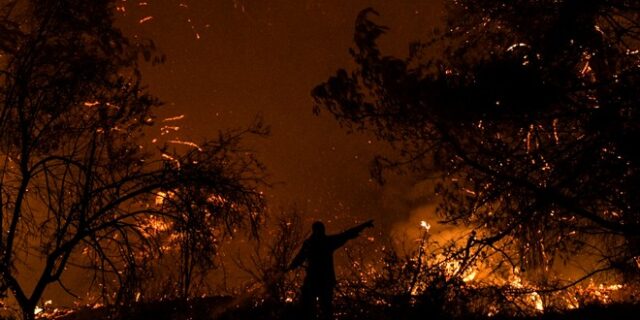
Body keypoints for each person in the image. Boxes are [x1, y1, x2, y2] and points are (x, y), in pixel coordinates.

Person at [288, 219, 374, 320]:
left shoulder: (310, 243)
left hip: (313, 281)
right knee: (325, 309)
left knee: (310, 308)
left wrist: (290, 267)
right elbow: (346, 235)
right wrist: (363, 226)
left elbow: (299, 258)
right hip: (324, 281)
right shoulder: (326, 242)